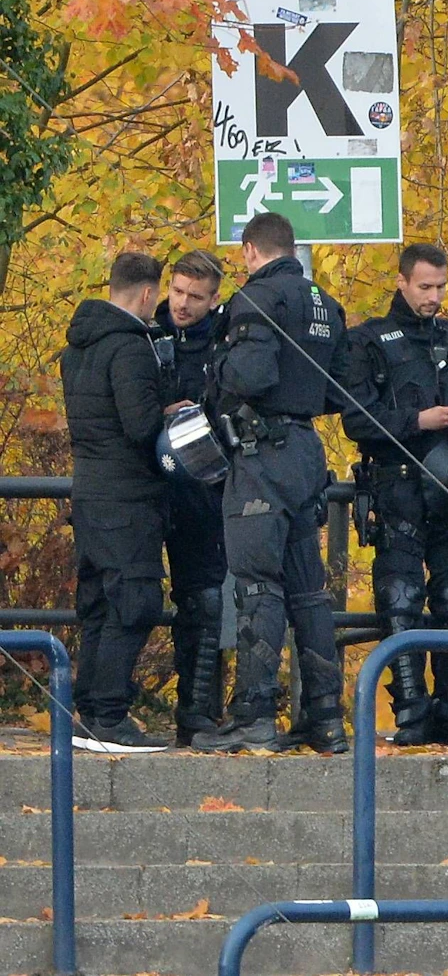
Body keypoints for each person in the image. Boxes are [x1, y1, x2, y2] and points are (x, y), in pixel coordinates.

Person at [342, 243, 448, 749]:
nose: (434, 296)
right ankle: (411, 708)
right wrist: (418, 421)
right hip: (399, 482)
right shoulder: (369, 340)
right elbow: (356, 419)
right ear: (401, 282)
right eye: (425, 287)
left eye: (440, 287)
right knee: (401, 596)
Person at [195, 214, 351, 754]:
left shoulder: (257, 299)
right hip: (308, 450)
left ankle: (254, 715)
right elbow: (342, 390)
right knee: (309, 588)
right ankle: (326, 719)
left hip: (262, 455)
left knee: (258, 583)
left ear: (249, 250)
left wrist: (219, 372)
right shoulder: (325, 304)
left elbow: (250, 376)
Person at [61, 251, 169, 750]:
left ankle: (86, 710)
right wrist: (171, 408)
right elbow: (141, 424)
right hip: (127, 496)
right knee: (135, 601)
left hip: (89, 490)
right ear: (147, 294)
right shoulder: (128, 348)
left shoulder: (79, 346)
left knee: (99, 603)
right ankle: (109, 715)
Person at [153, 249, 230, 746]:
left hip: (203, 488)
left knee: (204, 603)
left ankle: (198, 713)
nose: (183, 304)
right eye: (177, 292)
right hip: (149, 483)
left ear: (213, 299)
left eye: (194, 297)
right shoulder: (146, 335)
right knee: (129, 599)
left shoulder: (223, 345)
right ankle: (110, 707)